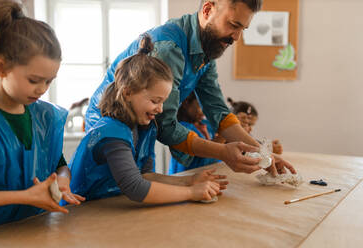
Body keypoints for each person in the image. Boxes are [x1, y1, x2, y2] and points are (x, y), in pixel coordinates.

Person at [85, 0, 295, 176]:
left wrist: (261, 153)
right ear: (207, 10)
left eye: (242, 29)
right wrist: (223, 152)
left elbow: (218, 111)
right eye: (233, 25)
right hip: (110, 129)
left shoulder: (206, 49)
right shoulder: (168, 48)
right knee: (111, 201)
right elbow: (165, 125)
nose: (236, 37)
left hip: (142, 131)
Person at [69, 35, 228, 204]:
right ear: (127, 93)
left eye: (163, 102)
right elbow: (135, 187)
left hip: (110, 208)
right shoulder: (111, 132)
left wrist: (189, 180)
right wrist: (190, 192)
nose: (160, 109)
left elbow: (145, 176)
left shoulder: (146, 128)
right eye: (154, 101)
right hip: (83, 212)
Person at [0, 0, 84, 228]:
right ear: (1, 68)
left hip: (36, 230)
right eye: (33, 80)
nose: (42, 89)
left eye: (49, 81)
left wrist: (62, 180)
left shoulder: (46, 117)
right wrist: (25, 196)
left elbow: (59, 163)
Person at [169, 92, 223, 174]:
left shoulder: (206, 124)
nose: (205, 112)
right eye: (201, 106)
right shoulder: (180, 129)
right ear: (186, 103)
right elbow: (204, 159)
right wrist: (224, 135)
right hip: (185, 179)